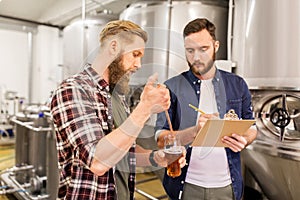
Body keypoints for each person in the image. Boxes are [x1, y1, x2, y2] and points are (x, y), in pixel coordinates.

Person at [50, 20, 185, 200]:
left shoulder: (116, 96)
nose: (138, 64)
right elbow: (97, 162)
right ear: (114, 47)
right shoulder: (73, 89)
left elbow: (123, 153)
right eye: (135, 54)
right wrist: (144, 108)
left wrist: (156, 158)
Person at [155, 18, 257, 200]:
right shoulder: (171, 87)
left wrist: (246, 139)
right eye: (190, 50)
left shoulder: (237, 84)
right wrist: (194, 132)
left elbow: (251, 128)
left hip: (227, 186)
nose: (196, 57)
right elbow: (160, 138)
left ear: (216, 46)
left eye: (203, 49)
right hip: (185, 186)